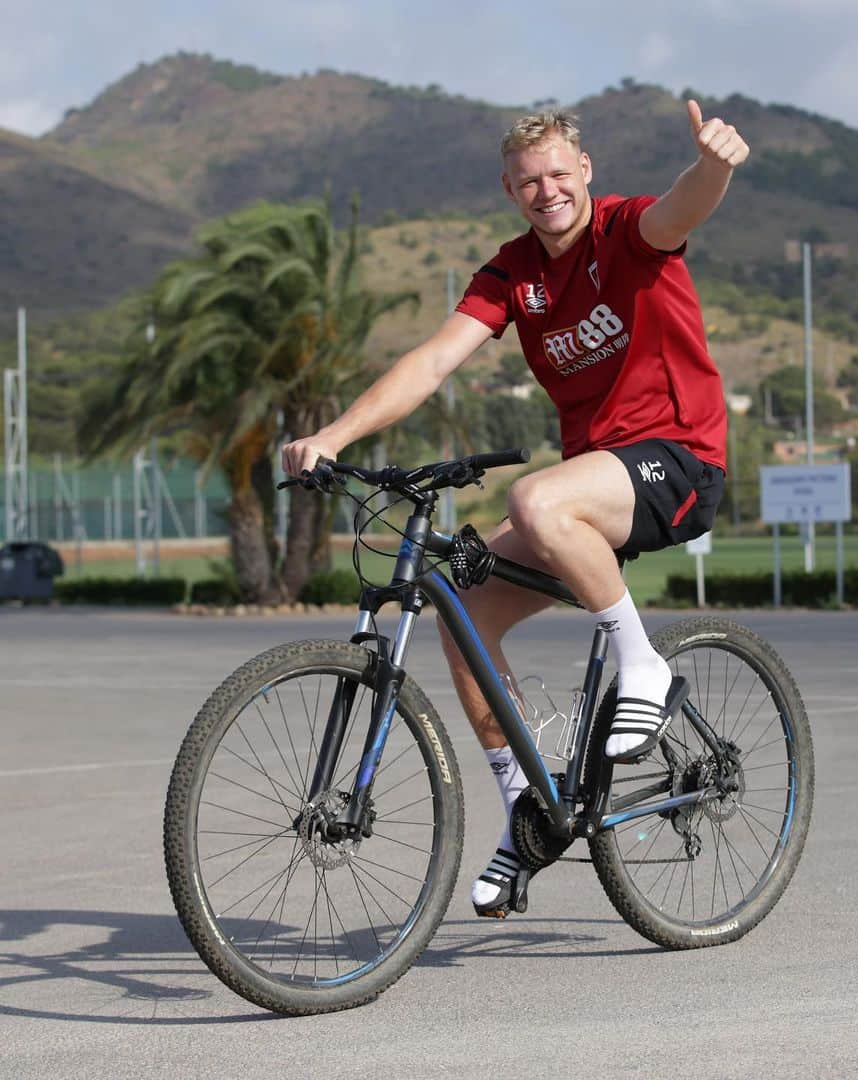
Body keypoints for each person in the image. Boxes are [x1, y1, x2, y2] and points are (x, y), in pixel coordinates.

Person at [282, 100, 749, 917]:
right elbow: (433, 361)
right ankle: (527, 814)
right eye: (530, 181)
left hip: (680, 459)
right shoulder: (512, 275)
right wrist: (335, 431)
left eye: (560, 174)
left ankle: (644, 664)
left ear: (587, 172)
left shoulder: (627, 233)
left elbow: (686, 205)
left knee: (536, 497)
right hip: (597, 482)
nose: (548, 191)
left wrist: (714, 164)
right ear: (510, 188)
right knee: (461, 611)